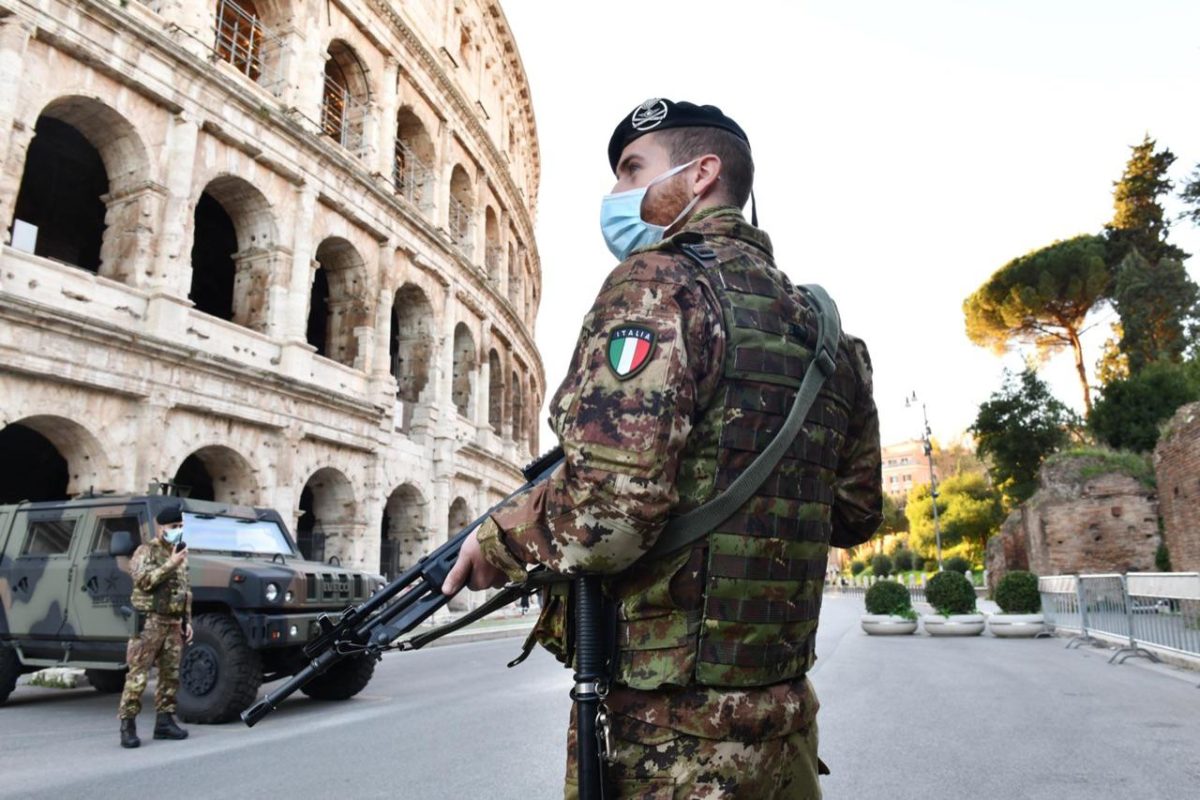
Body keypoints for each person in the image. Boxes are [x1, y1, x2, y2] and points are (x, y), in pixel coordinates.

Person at [444, 98, 882, 798]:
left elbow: (609, 518)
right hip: (785, 728)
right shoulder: (826, 332)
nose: (617, 195)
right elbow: (855, 514)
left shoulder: (659, 286)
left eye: (632, 170)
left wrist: (498, 543)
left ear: (701, 173)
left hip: (672, 744)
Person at [118, 505, 193, 748]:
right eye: (174, 527)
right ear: (161, 528)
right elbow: (143, 580)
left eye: (181, 527)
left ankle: (165, 722)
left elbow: (184, 591)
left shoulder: (179, 553)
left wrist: (186, 621)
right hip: (149, 621)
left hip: (172, 622)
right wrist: (171, 563)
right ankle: (128, 724)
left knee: (170, 676)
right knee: (138, 675)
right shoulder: (146, 551)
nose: (178, 531)